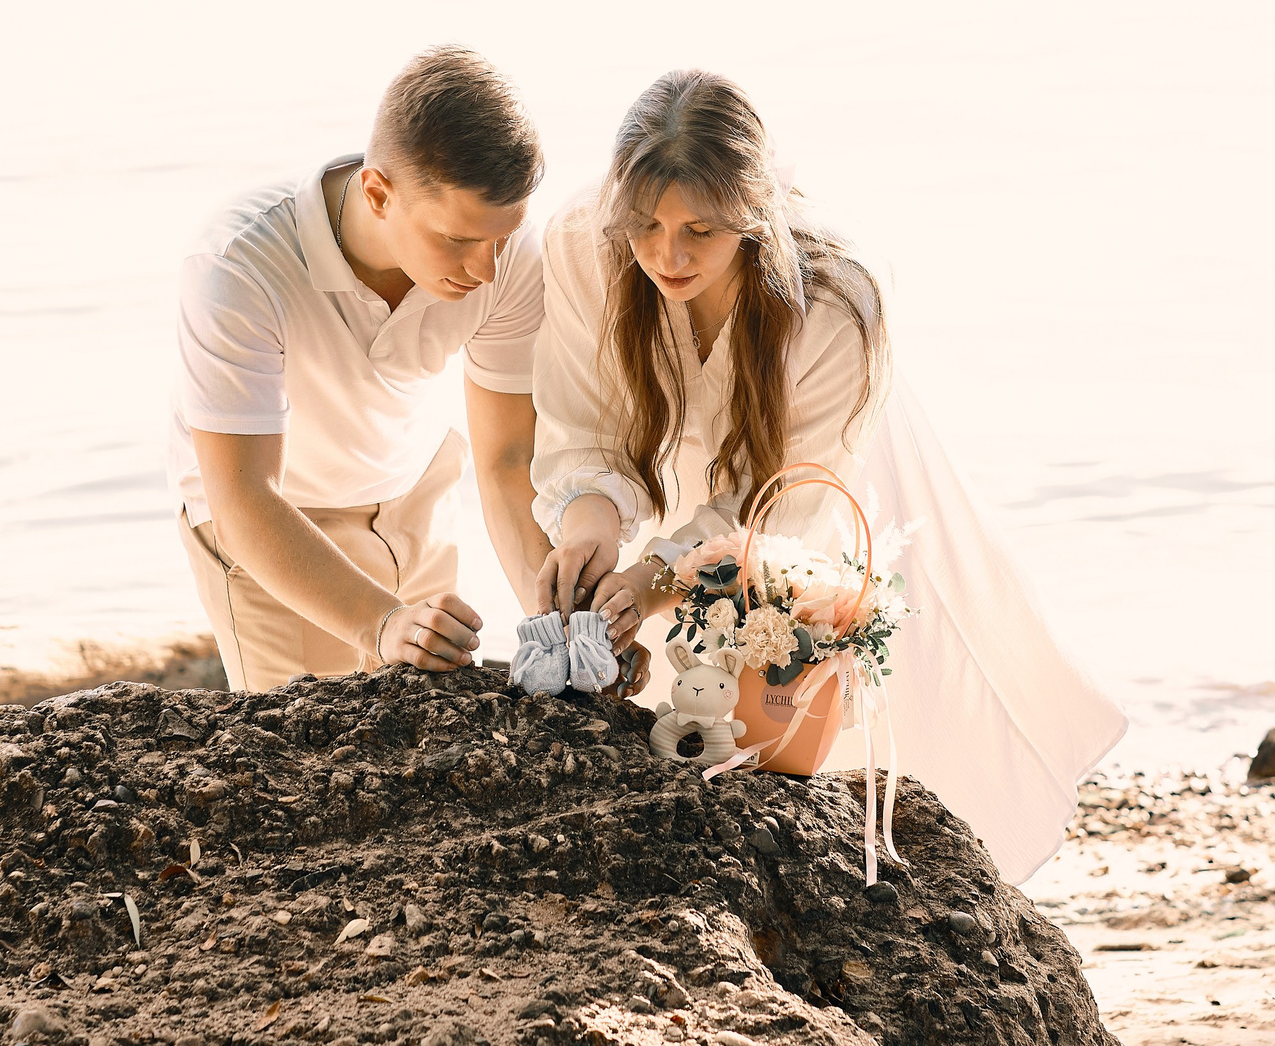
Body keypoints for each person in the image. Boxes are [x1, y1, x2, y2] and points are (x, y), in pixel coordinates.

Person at [527, 69, 1125, 880]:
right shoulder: (582, 240)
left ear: (752, 215)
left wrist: (655, 574)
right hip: (683, 469)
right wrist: (591, 526)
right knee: (688, 702)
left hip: (808, 477)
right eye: (648, 227)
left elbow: (785, 503)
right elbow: (583, 421)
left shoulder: (837, 302)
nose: (667, 255)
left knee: (862, 683)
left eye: (700, 230)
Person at [171, 46, 551, 692]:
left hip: (415, 495)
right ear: (378, 192)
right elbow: (242, 499)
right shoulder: (237, 266)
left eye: (501, 237)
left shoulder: (504, 254)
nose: (487, 268)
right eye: (458, 240)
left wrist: (561, 625)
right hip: (277, 522)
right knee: (300, 772)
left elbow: (509, 462)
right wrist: (382, 621)